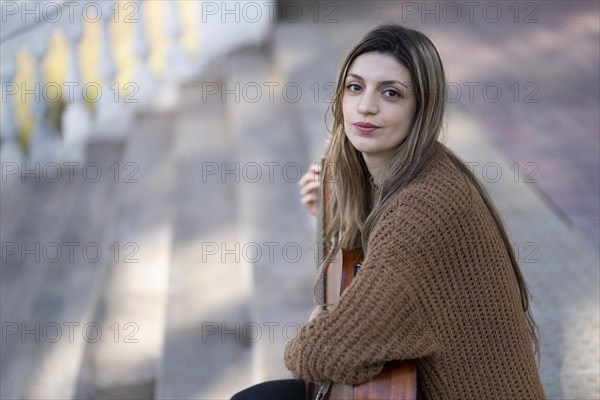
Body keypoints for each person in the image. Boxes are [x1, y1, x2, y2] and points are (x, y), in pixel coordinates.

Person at [232, 24, 545, 400]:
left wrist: (307, 338)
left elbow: (322, 350)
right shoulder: (399, 172)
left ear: (421, 109)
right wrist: (330, 216)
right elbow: (334, 291)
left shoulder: (425, 207)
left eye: (391, 93)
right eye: (355, 87)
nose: (366, 106)